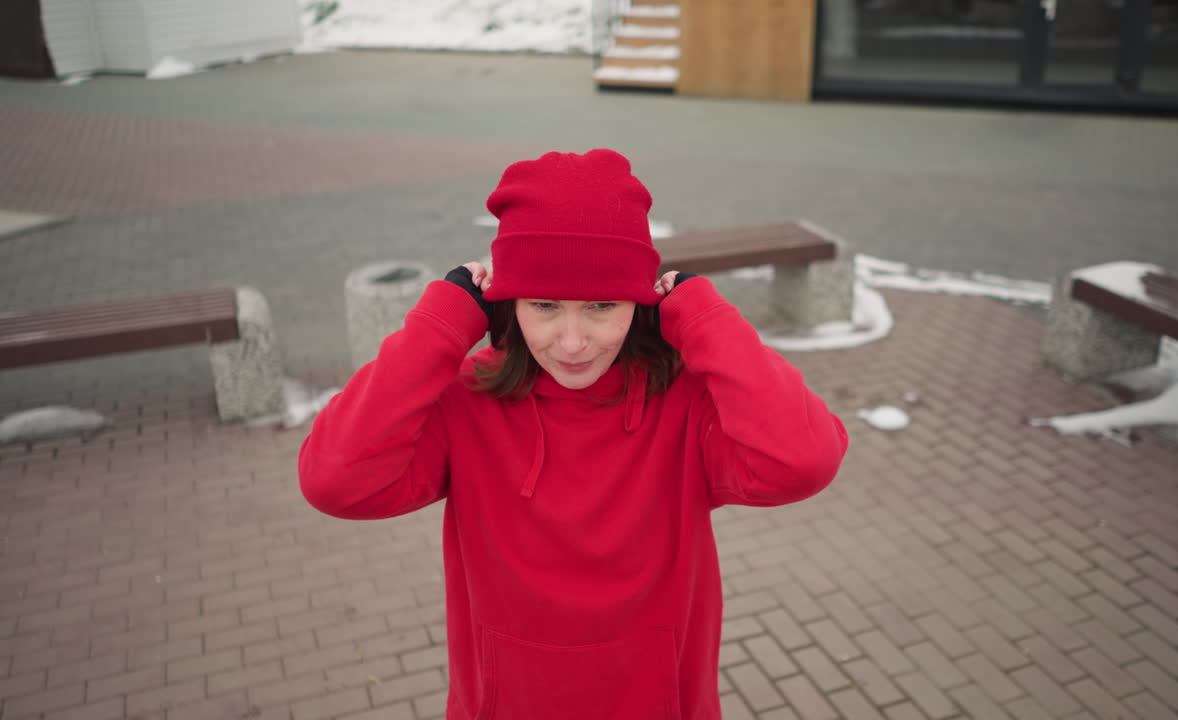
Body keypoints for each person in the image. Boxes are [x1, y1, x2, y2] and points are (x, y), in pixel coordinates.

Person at [298, 148, 849, 720]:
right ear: (506, 304)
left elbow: (803, 460)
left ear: (641, 304)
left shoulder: (686, 400)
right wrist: (441, 324)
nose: (572, 342)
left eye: (602, 306)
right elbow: (334, 482)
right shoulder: (467, 398)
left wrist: (702, 317)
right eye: (544, 305)